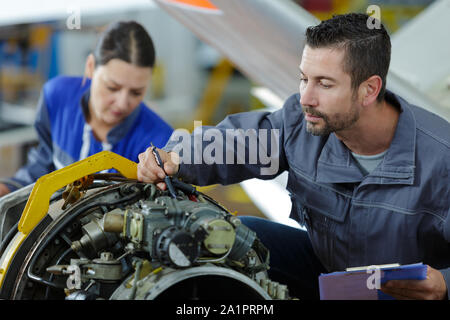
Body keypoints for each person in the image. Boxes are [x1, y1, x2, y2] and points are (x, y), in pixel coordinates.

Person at [136, 13, 450, 300]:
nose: (305, 98)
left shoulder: (441, 161)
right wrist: (179, 157)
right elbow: (237, 143)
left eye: (324, 84)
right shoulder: (301, 122)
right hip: (332, 275)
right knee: (235, 240)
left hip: (402, 295)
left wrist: (445, 284)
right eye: (304, 78)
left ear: (369, 90)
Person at [0, 21, 173, 196]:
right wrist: (8, 190)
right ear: (90, 67)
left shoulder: (160, 142)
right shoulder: (57, 97)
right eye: (112, 88)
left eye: (136, 92)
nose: (122, 103)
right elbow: (42, 167)